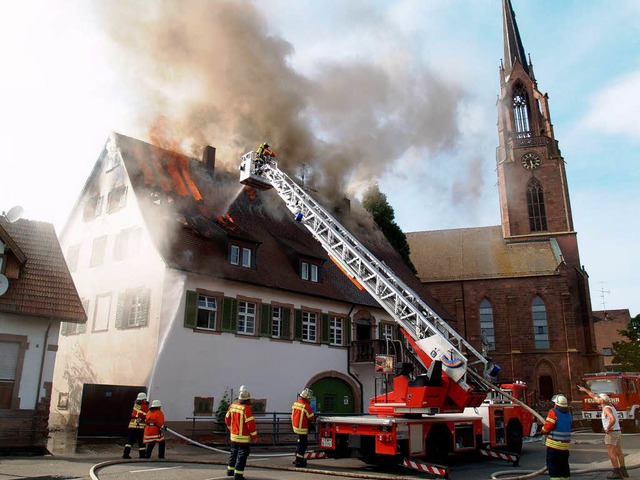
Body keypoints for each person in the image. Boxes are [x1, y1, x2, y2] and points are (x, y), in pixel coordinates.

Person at [578, 386, 628, 478]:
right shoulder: (611, 406)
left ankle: (617, 473)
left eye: (599, 398)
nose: (597, 400)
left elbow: (612, 419)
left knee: (611, 453)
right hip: (617, 431)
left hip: (611, 433)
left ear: (603, 401)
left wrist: (608, 428)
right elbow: (593, 396)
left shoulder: (606, 408)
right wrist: (585, 390)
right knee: (619, 451)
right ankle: (623, 471)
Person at [225, 386, 258, 480]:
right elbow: (250, 424)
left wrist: (230, 428)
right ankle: (238, 475)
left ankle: (230, 471)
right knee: (242, 456)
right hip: (243, 438)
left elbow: (227, 418)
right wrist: (254, 436)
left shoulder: (232, 406)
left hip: (233, 436)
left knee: (233, 453)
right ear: (247, 400)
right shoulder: (246, 409)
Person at [540, 394, 572, 480]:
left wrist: (543, 431)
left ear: (556, 404)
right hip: (565, 446)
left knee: (553, 466)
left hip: (554, 445)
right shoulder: (569, 413)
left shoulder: (553, 412)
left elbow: (548, 425)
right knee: (564, 465)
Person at [291, 387, 316, 467]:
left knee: (300, 441)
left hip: (295, 426)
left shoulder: (295, 403)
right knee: (304, 444)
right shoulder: (306, 406)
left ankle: (297, 455)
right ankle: (299, 460)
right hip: (302, 428)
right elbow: (311, 417)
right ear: (307, 397)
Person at [122, 392, 149, 459]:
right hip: (140, 427)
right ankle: (142, 455)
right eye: (145, 399)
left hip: (132, 426)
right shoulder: (144, 406)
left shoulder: (136, 405)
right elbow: (146, 415)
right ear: (142, 400)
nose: (146, 400)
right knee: (141, 442)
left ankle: (125, 454)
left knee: (130, 441)